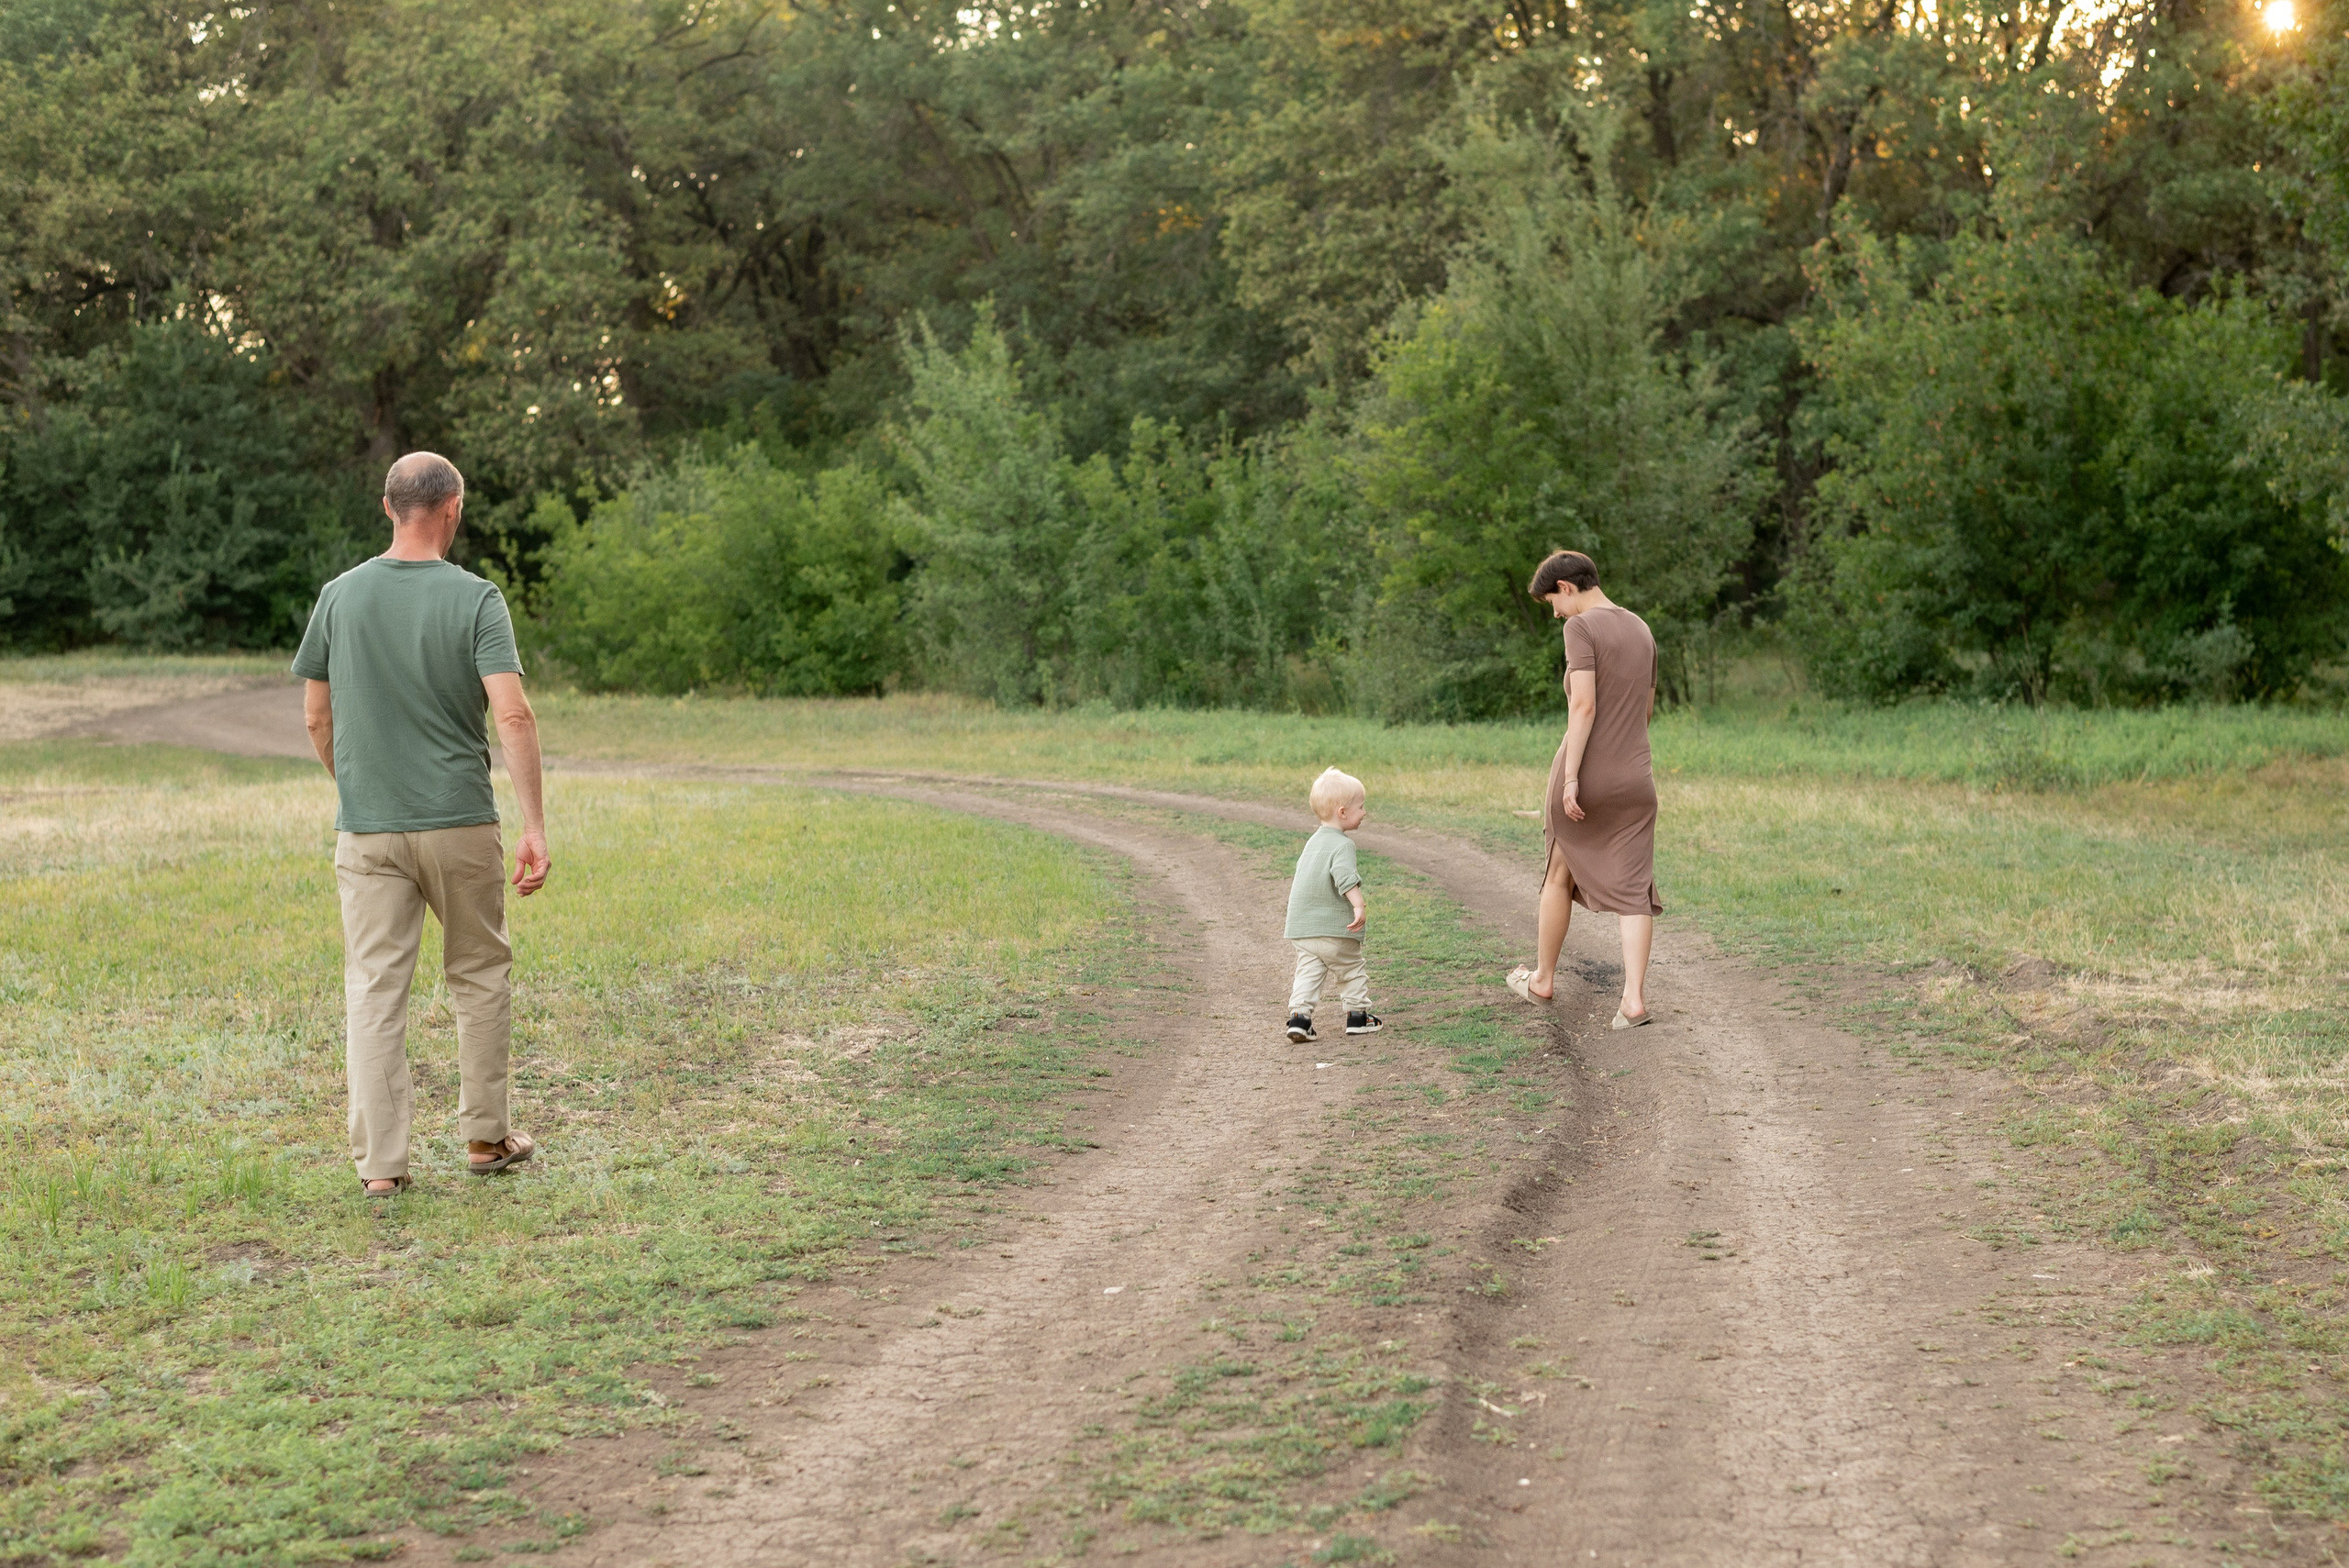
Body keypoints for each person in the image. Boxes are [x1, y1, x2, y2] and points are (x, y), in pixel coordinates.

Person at [292, 451, 550, 1198]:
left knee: (375, 989)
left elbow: (316, 713)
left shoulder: (338, 597)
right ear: (454, 510)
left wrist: (359, 786)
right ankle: (484, 1137)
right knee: (478, 973)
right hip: (461, 821)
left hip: (366, 827)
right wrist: (534, 823)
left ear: (388, 507)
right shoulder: (478, 599)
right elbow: (513, 712)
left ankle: (381, 1169)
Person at [1507, 550, 1661, 1029]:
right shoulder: (1641, 628)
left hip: (1588, 771)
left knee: (1558, 871)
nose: (1554, 613)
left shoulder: (1581, 628)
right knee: (1634, 890)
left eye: (1552, 601)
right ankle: (1633, 1001)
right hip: (1637, 775)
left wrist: (1573, 777)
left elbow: (1584, 708)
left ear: (1567, 588)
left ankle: (1543, 979)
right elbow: (1646, 710)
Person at [1282, 767, 1383, 1043]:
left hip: (1303, 930)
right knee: (1350, 970)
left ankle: (1300, 1019)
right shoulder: (1342, 844)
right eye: (1360, 807)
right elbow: (1345, 877)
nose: (1364, 813)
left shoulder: (1312, 843)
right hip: (1335, 929)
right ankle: (1357, 1016)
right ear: (1342, 813)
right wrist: (1359, 905)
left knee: (1308, 974)